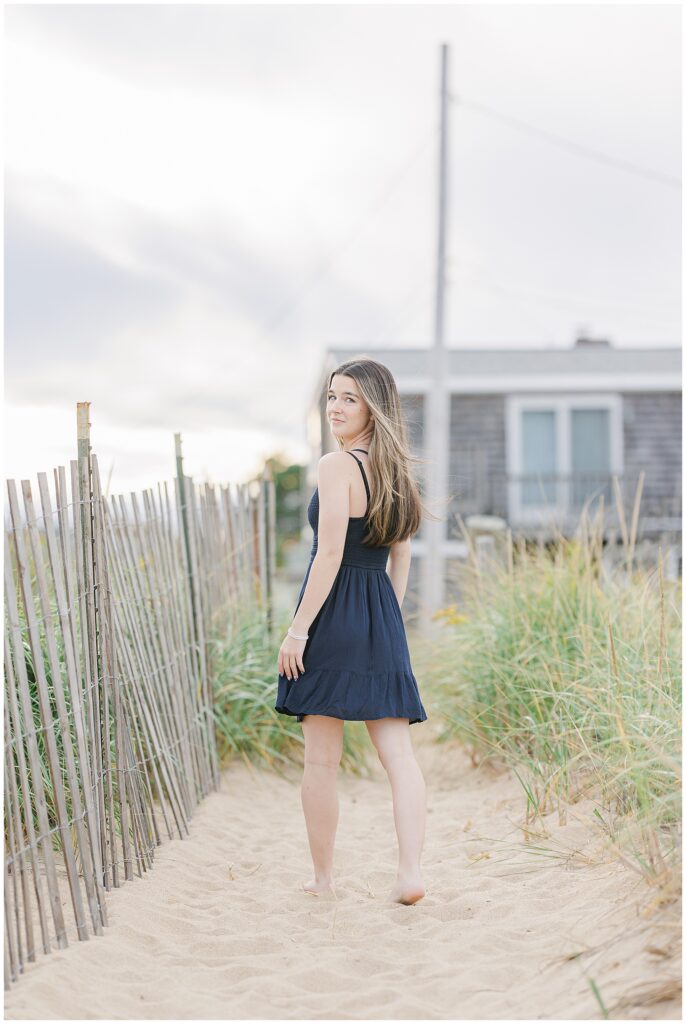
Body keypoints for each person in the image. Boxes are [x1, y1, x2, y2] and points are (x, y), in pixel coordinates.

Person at [275, 357, 430, 906]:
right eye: (333, 396)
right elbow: (403, 554)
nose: (336, 407)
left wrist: (298, 632)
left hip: (332, 614)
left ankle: (323, 880)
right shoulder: (397, 472)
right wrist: (387, 611)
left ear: (373, 408)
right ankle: (409, 873)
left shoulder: (337, 466)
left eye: (350, 399)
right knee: (400, 755)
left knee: (320, 759)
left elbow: (330, 554)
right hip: (380, 614)